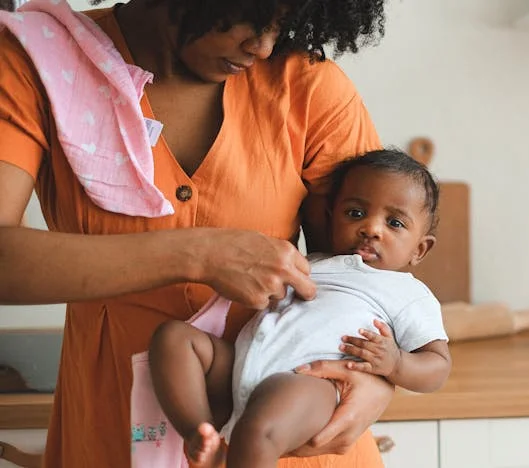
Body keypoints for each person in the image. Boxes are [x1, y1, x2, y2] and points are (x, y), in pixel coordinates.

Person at [0, 0, 399, 466]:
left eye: (283, 22)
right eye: (251, 14)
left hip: (294, 440)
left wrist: (379, 379)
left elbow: (366, 274)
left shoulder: (306, 83)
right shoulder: (39, 58)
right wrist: (198, 254)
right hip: (115, 434)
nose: (263, 46)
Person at [149, 149, 452, 467]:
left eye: (394, 222)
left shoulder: (407, 293)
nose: (371, 228)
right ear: (331, 217)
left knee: (259, 430)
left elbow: (438, 367)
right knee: (174, 338)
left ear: (420, 249)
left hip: (310, 381)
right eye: (355, 213)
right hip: (244, 363)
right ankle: (199, 434)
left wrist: (396, 363)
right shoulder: (308, 263)